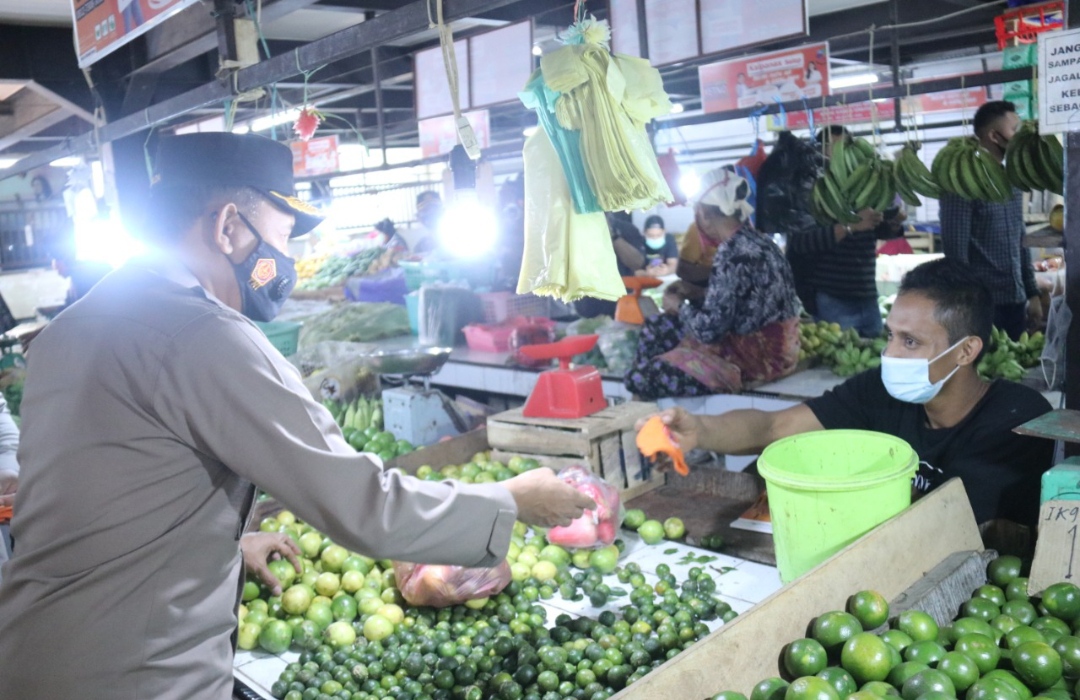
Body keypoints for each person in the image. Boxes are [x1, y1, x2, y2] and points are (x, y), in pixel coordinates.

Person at [0, 133, 593, 699]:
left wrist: (223, 543)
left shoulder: (70, 328)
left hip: (37, 650)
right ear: (228, 226)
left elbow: (102, 495)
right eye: (282, 239)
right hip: (134, 675)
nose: (285, 260)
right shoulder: (205, 335)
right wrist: (511, 501)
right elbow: (362, 504)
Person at [640, 258, 1052, 527]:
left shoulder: (1017, 419)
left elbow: (956, 527)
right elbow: (775, 426)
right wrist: (700, 430)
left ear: (966, 351)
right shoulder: (880, 391)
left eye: (910, 342)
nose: (890, 353)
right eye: (890, 336)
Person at [625, 168, 801, 399]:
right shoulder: (760, 242)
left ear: (705, 215)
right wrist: (698, 293)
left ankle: (661, 406)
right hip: (779, 351)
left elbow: (708, 330)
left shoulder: (731, 252)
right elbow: (741, 301)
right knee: (658, 327)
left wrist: (678, 304)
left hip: (756, 360)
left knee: (639, 378)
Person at [757, 127, 905, 337]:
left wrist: (893, 224)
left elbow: (874, 230)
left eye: (846, 146)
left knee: (875, 358)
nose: (840, 153)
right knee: (840, 361)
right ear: (820, 151)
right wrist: (851, 225)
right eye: (834, 147)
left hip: (866, 293)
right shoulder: (813, 189)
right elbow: (801, 242)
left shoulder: (863, 184)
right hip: (832, 298)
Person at [940, 100, 1041, 341]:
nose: (1020, 136)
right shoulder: (962, 184)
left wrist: (1032, 293)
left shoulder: (1012, 179)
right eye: (1014, 130)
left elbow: (1020, 240)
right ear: (995, 136)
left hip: (1015, 301)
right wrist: (967, 308)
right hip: (981, 306)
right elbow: (956, 254)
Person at [408, 190, 443, 254]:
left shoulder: (459, 238)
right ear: (418, 217)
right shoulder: (420, 248)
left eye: (434, 208)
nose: (430, 213)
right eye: (425, 210)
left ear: (443, 211)